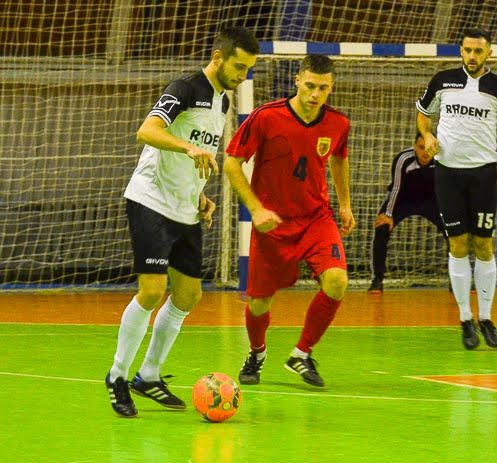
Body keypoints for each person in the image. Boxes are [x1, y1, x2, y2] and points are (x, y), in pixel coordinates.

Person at [105, 28, 259, 418]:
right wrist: (189, 147)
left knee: (189, 296)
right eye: (238, 66)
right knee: (153, 290)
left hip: (185, 206)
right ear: (218, 57)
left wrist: (201, 196)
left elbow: (195, 157)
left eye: (248, 69)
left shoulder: (222, 102)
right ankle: (118, 375)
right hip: (150, 199)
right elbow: (148, 130)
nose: (243, 75)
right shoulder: (186, 87)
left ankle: (149, 375)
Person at [223, 54, 355, 388]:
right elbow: (231, 163)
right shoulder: (267, 117)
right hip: (272, 223)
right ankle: (256, 352)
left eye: (323, 88)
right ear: (297, 81)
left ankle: (302, 354)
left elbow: (339, 159)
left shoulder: (338, 123)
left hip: (316, 218)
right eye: (310, 85)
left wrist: (345, 205)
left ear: (331, 87)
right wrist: (255, 210)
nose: (315, 93)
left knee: (337, 281)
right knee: (258, 304)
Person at [416, 28, 497, 350]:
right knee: (458, 244)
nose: (472, 56)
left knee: (484, 245)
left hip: (484, 175)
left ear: (490, 53)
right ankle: (465, 319)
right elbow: (423, 113)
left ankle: (486, 317)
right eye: (467, 50)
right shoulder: (442, 80)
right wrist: (428, 135)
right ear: (460, 51)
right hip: (448, 174)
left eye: (478, 51)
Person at [368, 132, 446, 294]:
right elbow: (395, 188)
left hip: (432, 201)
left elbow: (448, 190)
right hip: (402, 200)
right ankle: (377, 280)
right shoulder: (403, 159)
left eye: (429, 149)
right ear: (414, 147)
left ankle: (459, 280)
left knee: (455, 231)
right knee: (382, 227)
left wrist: (453, 214)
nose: (425, 153)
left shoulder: (443, 160)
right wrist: (388, 214)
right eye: (420, 148)